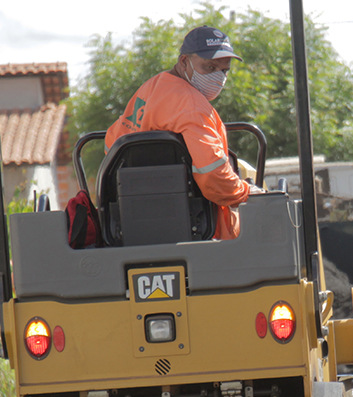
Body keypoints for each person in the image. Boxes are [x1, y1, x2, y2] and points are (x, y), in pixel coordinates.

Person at [105, 26, 253, 240]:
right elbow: (214, 178)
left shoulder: (150, 89)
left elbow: (112, 146)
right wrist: (246, 192)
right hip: (201, 230)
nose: (218, 78)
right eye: (209, 67)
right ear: (184, 61)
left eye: (224, 70)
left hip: (132, 223)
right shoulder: (193, 106)